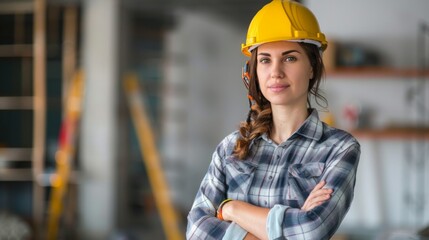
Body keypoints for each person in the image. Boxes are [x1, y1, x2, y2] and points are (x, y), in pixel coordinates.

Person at [186, 0, 360, 239]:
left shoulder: (339, 149)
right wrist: (291, 222)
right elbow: (196, 231)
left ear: (312, 67)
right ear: (255, 70)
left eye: (290, 58)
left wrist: (230, 208)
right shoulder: (230, 148)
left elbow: (310, 232)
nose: (276, 72)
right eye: (265, 60)